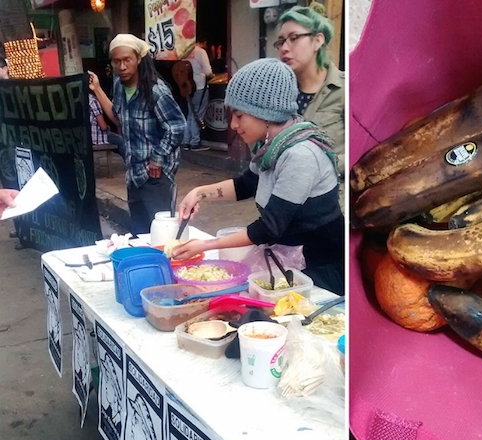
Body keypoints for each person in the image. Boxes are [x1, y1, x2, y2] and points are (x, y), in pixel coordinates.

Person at [172, 58, 344, 296]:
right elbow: (245, 185)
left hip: (320, 272)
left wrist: (206, 245)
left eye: (239, 115)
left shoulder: (299, 155)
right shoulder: (273, 147)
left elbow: (268, 228)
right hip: (292, 262)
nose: (232, 124)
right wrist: (198, 193)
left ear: (265, 114)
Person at [87, 34, 185, 235]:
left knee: (163, 235)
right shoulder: (119, 86)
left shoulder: (156, 91)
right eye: (116, 61)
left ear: (138, 59)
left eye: (127, 60)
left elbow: (177, 126)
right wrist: (96, 89)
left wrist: (157, 158)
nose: (122, 66)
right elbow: (117, 118)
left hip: (156, 178)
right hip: (134, 174)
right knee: (140, 235)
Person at [276, 5, 345, 177]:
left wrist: (318, 164)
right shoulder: (280, 94)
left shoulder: (345, 89)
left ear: (317, 40)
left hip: (333, 198)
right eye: (281, 41)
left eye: (294, 38)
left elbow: (360, 156)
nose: (284, 48)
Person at [183, 40, 212, 151]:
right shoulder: (200, 52)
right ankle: (195, 142)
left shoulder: (184, 52)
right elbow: (208, 72)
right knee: (197, 114)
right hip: (200, 86)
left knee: (190, 113)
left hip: (186, 86)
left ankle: (186, 142)